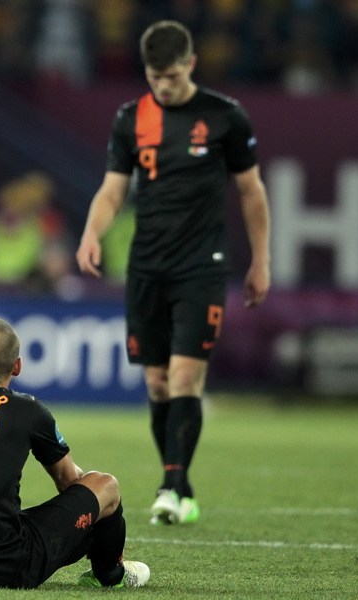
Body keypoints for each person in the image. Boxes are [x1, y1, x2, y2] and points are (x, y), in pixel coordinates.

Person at [76, 20, 271, 526]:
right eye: (153, 77)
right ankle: (178, 482)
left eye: (170, 75)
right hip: (147, 266)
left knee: (187, 375)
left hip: (201, 265)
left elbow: (251, 191)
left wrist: (261, 259)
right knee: (159, 383)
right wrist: (92, 233)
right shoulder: (130, 118)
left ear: (190, 64)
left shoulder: (225, 117)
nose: (161, 86)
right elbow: (114, 188)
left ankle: (173, 484)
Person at [0, 317, 150, 589]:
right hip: (1, 565)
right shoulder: (27, 410)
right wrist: (102, 526)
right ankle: (111, 572)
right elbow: (69, 482)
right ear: (17, 367)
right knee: (106, 487)